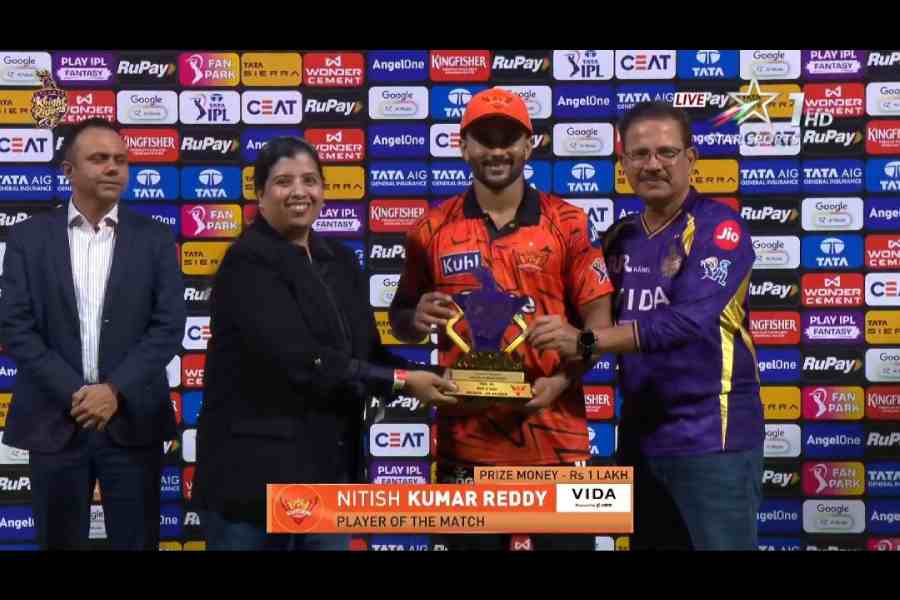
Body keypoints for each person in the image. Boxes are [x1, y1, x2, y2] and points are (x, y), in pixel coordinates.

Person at [193, 136, 456, 551]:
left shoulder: (341, 259)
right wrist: (404, 382)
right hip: (252, 482)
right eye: (283, 182)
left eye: (310, 180)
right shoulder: (246, 263)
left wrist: (448, 377)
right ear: (260, 195)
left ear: (323, 190)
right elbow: (301, 361)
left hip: (327, 473)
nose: (299, 191)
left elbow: (365, 352)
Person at [528, 101, 764, 550]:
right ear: (624, 164)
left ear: (691, 159)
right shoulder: (618, 238)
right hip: (639, 439)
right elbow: (583, 320)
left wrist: (586, 340)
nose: (653, 165)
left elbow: (685, 323)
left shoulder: (719, 228)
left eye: (667, 152)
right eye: (639, 155)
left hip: (713, 440)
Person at [389, 88, 614, 550]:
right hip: (465, 443)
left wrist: (561, 379)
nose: (496, 151)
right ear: (463, 145)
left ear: (529, 146)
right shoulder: (429, 228)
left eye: (508, 138)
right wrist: (418, 317)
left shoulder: (568, 222)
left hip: (558, 440)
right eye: (484, 138)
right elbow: (400, 318)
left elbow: (599, 323)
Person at [0, 117, 186, 550]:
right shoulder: (28, 237)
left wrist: (114, 390)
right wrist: (80, 394)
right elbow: (16, 324)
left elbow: (168, 326)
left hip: (133, 421)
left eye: (120, 160)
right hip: (54, 420)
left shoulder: (156, 238)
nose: (113, 168)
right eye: (99, 159)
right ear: (68, 170)